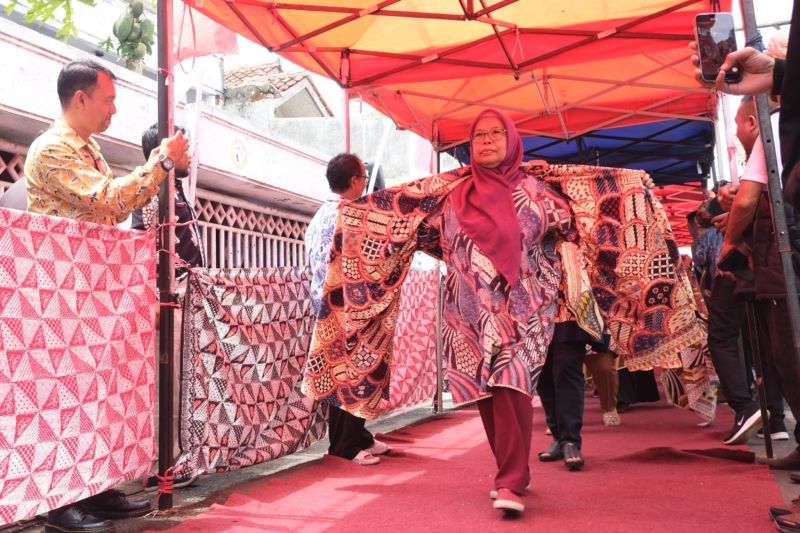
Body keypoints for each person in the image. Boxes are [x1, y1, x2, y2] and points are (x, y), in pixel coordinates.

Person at [24, 59, 188, 533]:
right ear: (81, 98)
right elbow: (109, 201)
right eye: (108, 99)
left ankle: (93, 487)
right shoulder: (53, 149)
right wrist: (160, 161)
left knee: (93, 392)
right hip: (59, 290)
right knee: (64, 393)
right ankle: (60, 501)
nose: (113, 110)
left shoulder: (86, 147)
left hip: (87, 289)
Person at [131, 123, 205, 492]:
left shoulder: (172, 188)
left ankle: (173, 458)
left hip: (184, 297)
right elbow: (143, 245)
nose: (189, 153)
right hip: (168, 297)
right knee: (169, 383)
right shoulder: (153, 191)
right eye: (183, 147)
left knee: (181, 380)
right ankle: (164, 463)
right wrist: (152, 296)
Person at [304, 153, 391, 466]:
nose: (365, 184)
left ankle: (359, 437)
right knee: (350, 377)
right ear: (354, 181)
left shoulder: (320, 215)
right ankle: (345, 446)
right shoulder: (349, 214)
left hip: (327, 304)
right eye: (363, 179)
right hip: (345, 306)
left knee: (347, 374)